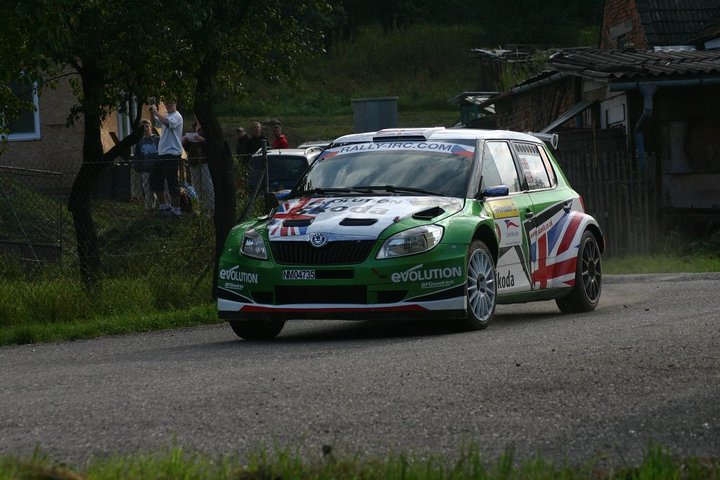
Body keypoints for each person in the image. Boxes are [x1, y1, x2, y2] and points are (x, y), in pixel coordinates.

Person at [148, 99, 184, 217]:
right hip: (162, 153)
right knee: (154, 179)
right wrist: (152, 110)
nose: (168, 105)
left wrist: (156, 111)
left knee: (172, 182)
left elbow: (167, 123)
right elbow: (156, 122)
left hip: (172, 153)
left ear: (175, 104)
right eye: (166, 103)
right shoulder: (166, 115)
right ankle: (163, 206)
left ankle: (176, 210)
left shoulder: (177, 116)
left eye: (171, 103)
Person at [182, 118, 214, 215]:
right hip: (193, 161)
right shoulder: (192, 128)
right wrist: (185, 141)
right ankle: (202, 209)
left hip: (205, 160)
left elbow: (213, 143)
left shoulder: (207, 127)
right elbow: (188, 148)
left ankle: (210, 210)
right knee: (197, 187)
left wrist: (201, 139)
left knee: (207, 186)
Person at [132, 119, 159, 210]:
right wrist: (138, 167)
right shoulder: (140, 142)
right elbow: (137, 156)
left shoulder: (157, 140)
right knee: (147, 190)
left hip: (157, 170)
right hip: (146, 170)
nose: (145, 129)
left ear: (150, 127)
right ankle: (149, 208)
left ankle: (163, 207)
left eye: (147, 126)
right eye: (143, 127)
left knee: (160, 189)